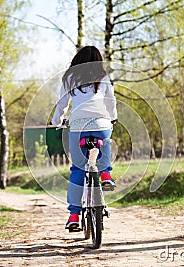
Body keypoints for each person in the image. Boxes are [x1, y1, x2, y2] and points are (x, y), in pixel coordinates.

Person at [51, 46, 117, 230]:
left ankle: (74, 215)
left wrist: (57, 121)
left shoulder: (70, 78)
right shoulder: (102, 77)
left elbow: (62, 104)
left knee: (78, 169)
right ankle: (105, 173)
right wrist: (112, 118)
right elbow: (110, 101)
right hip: (101, 124)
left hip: (78, 127)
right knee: (104, 144)